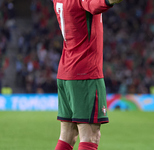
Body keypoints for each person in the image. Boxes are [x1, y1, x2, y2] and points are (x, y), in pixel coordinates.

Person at [52, 0, 123, 149]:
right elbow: (100, 3)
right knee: (90, 135)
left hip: (66, 71)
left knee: (68, 135)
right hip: (85, 73)